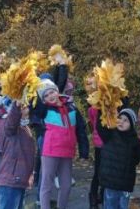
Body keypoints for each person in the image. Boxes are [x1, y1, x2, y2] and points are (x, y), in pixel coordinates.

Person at [36, 78, 89, 209]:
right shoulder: (44, 110)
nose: (50, 96)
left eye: (51, 92)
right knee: (46, 184)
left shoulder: (72, 108)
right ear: (43, 100)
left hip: (67, 151)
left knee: (66, 185)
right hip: (50, 151)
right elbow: (35, 103)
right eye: (46, 96)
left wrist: (84, 150)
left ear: (57, 91)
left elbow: (81, 129)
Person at [97, 108, 140, 209]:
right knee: (110, 205)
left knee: (123, 206)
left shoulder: (134, 140)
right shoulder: (109, 134)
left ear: (131, 124)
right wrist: (101, 109)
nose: (121, 122)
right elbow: (99, 126)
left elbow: (138, 158)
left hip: (125, 184)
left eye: (126, 120)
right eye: (120, 118)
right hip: (110, 182)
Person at [0, 100, 36, 209]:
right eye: (22, 107)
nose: (25, 108)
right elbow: (11, 123)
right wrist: (16, 105)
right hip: (10, 181)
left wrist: (30, 174)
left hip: (20, 180)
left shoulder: (25, 127)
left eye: (26, 106)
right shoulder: (9, 126)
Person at [87, 104, 104, 209]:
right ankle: (93, 198)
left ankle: (102, 195)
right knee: (98, 172)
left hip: (109, 143)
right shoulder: (93, 109)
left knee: (107, 171)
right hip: (100, 143)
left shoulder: (113, 105)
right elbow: (94, 123)